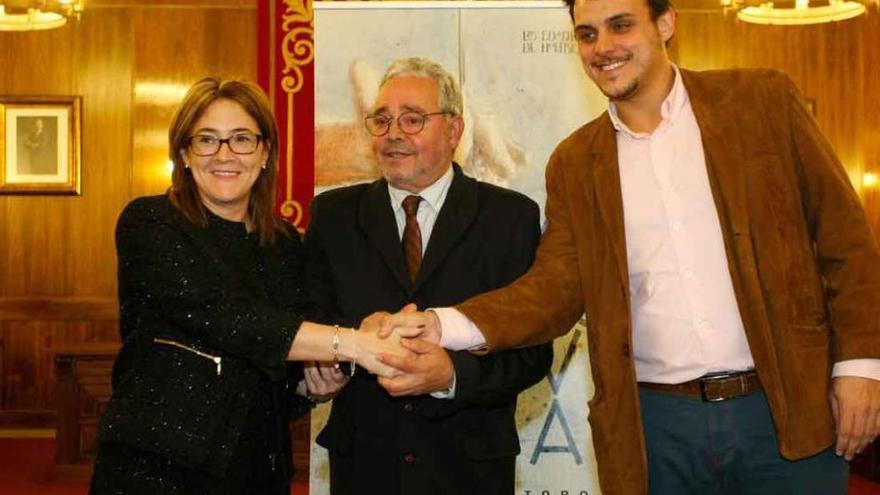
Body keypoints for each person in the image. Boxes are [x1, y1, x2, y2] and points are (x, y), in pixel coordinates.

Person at [378, 1, 880, 494]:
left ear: (665, 23)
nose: (603, 47)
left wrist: (860, 366)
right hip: (653, 429)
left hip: (786, 409)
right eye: (588, 33)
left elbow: (845, 238)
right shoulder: (575, 163)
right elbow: (551, 290)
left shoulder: (760, 101)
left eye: (621, 26)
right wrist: (442, 324)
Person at [90, 77, 408, 495]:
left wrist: (312, 384)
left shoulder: (285, 244)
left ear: (265, 154)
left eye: (241, 139)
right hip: (157, 469)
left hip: (257, 468)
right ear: (184, 153)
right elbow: (227, 318)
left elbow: (278, 370)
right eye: (207, 140)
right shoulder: (150, 224)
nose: (225, 154)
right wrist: (352, 344)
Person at [304, 57, 553, 495]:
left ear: (454, 131)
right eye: (381, 120)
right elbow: (310, 326)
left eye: (412, 119)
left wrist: (453, 375)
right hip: (365, 465)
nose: (393, 133)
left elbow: (531, 353)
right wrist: (325, 366)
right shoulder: (333, 216)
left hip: (470, 469)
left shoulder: (510, 218)